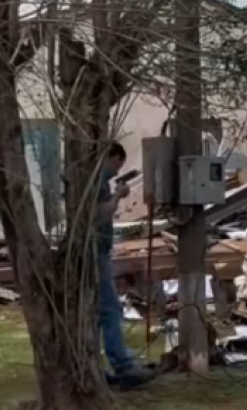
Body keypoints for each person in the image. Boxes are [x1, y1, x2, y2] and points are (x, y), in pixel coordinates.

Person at [97, 142, 150, 389]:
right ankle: (122, 365)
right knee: (109, 310)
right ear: (112, 157)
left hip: (97, 251)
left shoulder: (93, 180)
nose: (117, 172)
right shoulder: (97, 181)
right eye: (118, 164)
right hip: (95, 253)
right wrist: (118, 194)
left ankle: (97, 367)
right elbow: (102, 215)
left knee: (98, 311)